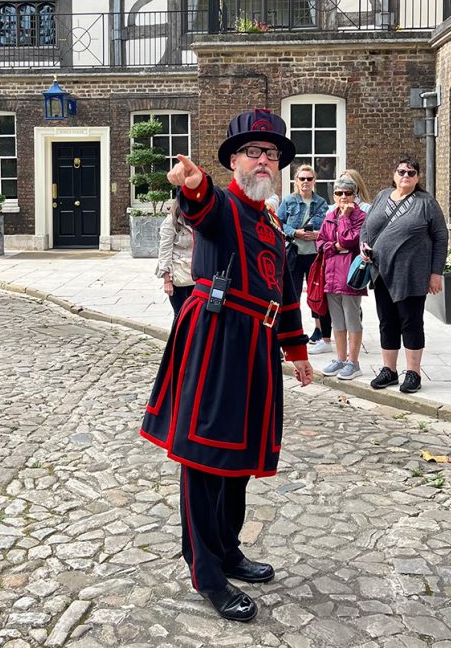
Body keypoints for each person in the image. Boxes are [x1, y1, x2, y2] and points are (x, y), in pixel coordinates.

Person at [140, 109, 312, 623]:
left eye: (273, 155)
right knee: (205, 461)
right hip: (216, 343)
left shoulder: (271, 219)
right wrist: (194, 186)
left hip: (256, 348)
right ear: (234, 161)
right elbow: (203, 210)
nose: (265, 161)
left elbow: (284, 293)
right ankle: (207, 573)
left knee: (238, 461)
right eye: (255, 153)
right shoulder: (227, 206)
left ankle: (229, 550)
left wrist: (297, 351)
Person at [360, 155, 448, 394]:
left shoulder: (425, 202)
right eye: (401, 172)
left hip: (412, 273)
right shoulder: (381, 197)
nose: (406, 176)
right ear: (394, 174)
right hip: (381, 273)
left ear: (418, 177)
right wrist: (364, 248)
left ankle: (413, 373)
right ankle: (389, 370)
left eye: (411, 173)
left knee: (410, 323)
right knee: (386, 322)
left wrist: (435, 273)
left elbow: (441, 237)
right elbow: (366, 229)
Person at [316, 176, 367, 380]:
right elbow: (321, 243)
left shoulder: (360, 217)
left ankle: (353, 362)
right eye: (339, 193)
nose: (343, 197)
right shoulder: (330, 216)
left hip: (350, 277)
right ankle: (339, 358)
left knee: (352, 319)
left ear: (355, 195)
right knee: (337, 321)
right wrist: (335, 247)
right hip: (331, 275)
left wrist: (345, 218)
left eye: (348, 193)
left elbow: (348, 240)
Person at [277, 164, 329, 355]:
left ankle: (321, 332)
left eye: (309, 179)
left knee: (317, 295)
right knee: (293, 295)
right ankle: (293, 332)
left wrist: (318, 235)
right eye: (302, 179)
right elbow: (278, 223)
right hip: (294, 255)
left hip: (315, 255)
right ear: (296, 181)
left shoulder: (322, 203)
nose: (305, 182)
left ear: (314, 181)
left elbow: (328, 225)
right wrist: (293, 232)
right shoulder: (289, 201)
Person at [156, 199, 194, 318]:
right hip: (178, 275)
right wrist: (167, 280)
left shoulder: (197, 222)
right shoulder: (170, 223)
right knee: (180, 315)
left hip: (195, 274)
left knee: (195, 316)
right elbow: (164, 252)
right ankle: (177, 337)